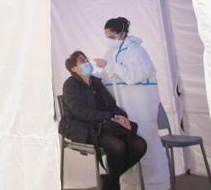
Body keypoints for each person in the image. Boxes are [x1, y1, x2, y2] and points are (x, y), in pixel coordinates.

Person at [93, 17, 170, 190]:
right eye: (106, 36)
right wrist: (93, 75)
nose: (108, 40)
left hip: (140, 109)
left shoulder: (136, 51)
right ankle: (132, 186)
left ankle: (156, 186)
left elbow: (136, 75)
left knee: (147, 147)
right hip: (125, 110)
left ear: (122, 33)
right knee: (129, 148)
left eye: (111, 36)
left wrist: (111, 66)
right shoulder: (112, 52)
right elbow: (108, 77)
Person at [60, 50, 147, 190]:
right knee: (118, 147)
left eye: (86, 58)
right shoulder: (70, 85)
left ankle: (110, 179)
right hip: (83, 129)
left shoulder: (96, 82)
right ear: (74, 69)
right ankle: (111, 183)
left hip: (103, 126)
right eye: (82, 60)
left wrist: (122, 117)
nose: (87, 61)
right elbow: (81, 112)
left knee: (140, 144)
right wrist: (111, 116)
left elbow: (111, 105)